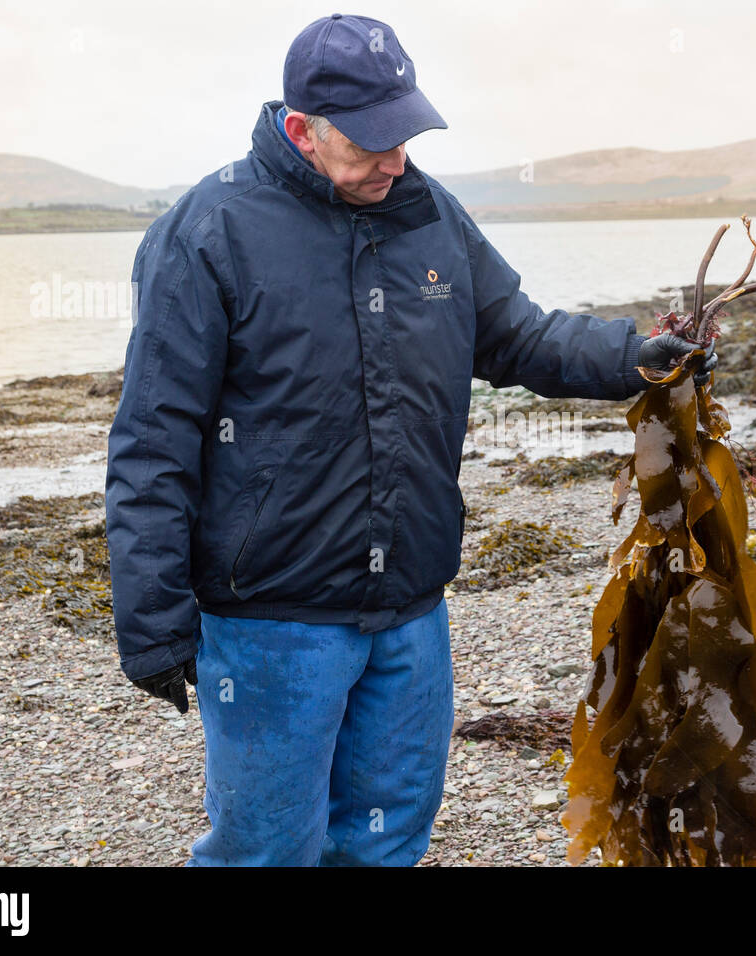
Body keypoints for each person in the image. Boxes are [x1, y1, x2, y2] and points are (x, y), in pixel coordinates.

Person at [105, 12, 717, 867]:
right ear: (301, 131)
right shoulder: (209, 233)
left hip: (412, 611)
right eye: (371, 143)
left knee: (385, 842)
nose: (394, 160)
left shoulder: (432, 216)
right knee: (266, 852)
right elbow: (151, 440)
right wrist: (153, 620)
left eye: (405, 134)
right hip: (272, 622)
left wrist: (636, 358)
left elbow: (518, 336)